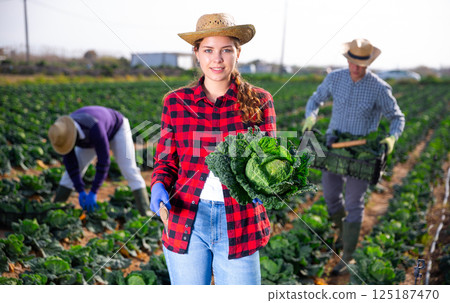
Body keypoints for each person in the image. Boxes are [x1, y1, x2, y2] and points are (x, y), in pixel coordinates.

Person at [150, 13, 276, 285]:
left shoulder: (260, 101)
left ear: (237, 53)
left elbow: (270, 161)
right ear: (196, 53)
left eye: (225, 50)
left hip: (240, 218)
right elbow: (166, 161)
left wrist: (264, 186)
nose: (216, 59)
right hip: (187, 217)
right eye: (208, 50)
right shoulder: (175, 102)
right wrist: (159, 184)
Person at [302, 38, 405, 275]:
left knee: (354, 202)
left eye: (361, 64)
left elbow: (397, 117)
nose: (355, 68)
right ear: (348, 60)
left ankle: (348, 255)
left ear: (368, 63)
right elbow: (315, 99)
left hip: (362, 153)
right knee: (330, 196)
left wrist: (392, 138)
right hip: (335, 145)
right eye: (352, 63)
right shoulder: (335, 78)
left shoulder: (379, 88)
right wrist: (311, 115)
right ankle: (341, 233)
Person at [48, 105, 150, 216]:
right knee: (69, 174)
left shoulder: (94, 128)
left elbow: (104, 161)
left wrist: (93, 191)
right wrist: (80, 190)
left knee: (129, 169)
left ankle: (146, 211)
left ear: (72, 136)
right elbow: (71, 165)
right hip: (89, 136)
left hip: (117, 128)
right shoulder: (63, 133)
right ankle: (55, 209)